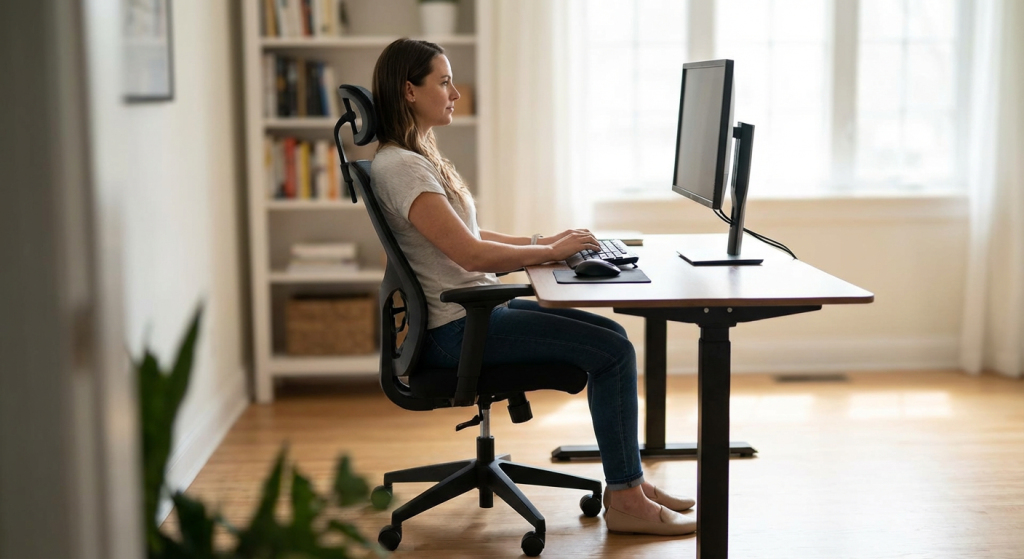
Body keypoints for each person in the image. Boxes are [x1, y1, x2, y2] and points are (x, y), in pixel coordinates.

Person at [370, 38, 695, 537]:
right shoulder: (402, 167)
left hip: (465, 319)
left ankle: (629, 483)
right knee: (611, 349)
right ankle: (626, 498)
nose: (455, 92)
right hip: (456, 331)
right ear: (408, 91)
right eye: (444, 81)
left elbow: (471, 237)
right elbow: (472, 255)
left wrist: (550, 243)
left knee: (614, 341)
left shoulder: (414, 156)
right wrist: (548, 252)